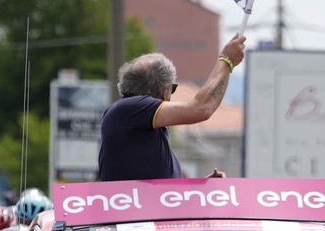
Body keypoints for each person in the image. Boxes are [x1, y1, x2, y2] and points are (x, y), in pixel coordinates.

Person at [97, 35, 247, 181]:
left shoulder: (135, 120)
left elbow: (163, 193)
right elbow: (202, 108)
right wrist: (226, 61)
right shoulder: (128, 109)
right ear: (165, 92)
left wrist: (201, 188)